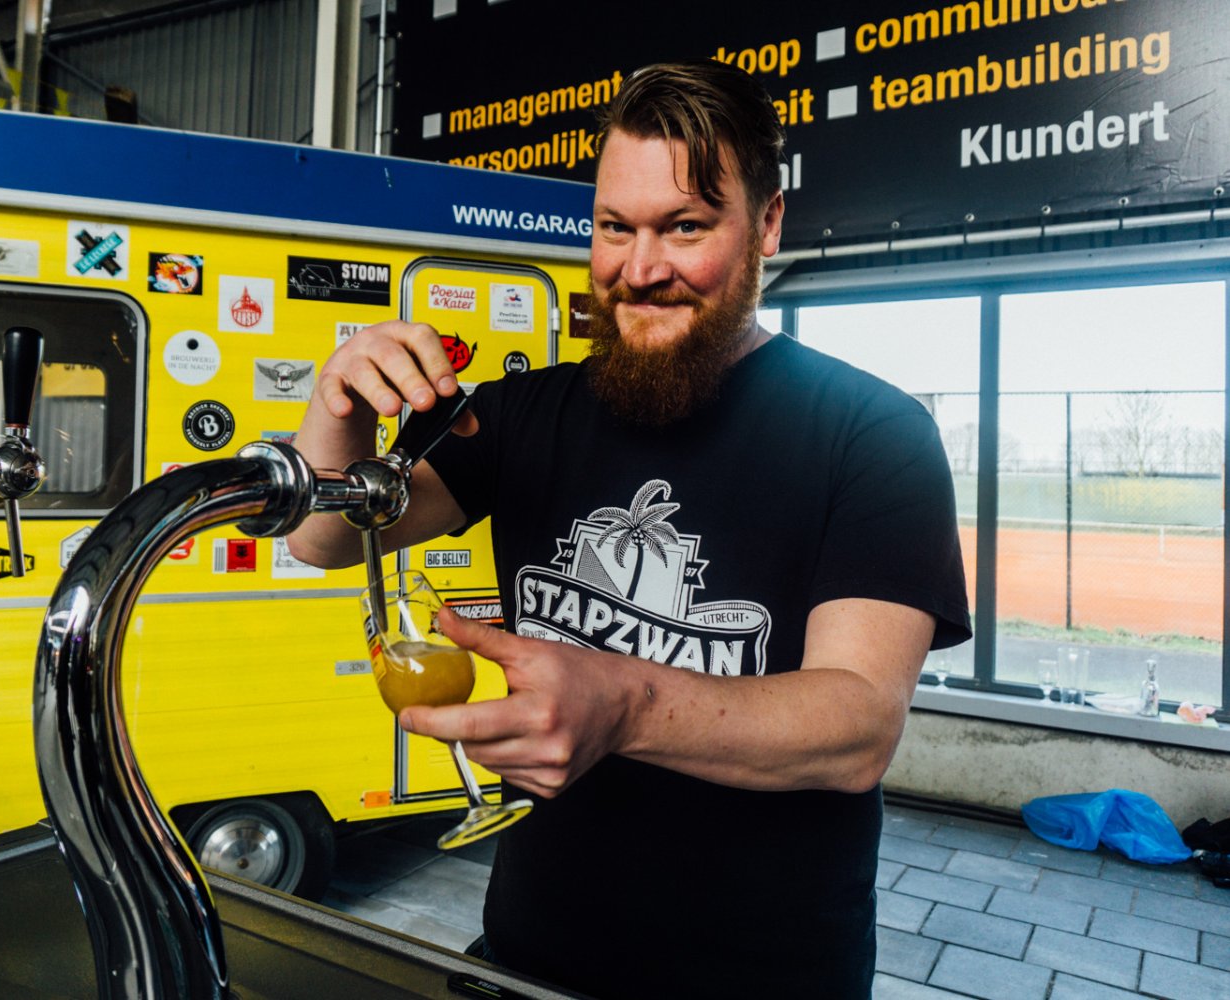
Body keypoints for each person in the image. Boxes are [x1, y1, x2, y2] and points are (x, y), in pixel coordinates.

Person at [288, 60, 970, 999]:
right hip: (533, 953)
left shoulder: (872, 432)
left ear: (767, 224)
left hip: (765, 979)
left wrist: (628, 705)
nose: (639, 270)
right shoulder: (519, 414)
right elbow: (322, 539)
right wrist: (339, 405)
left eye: (683, 227)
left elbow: (855, 729)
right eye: (615, 227)